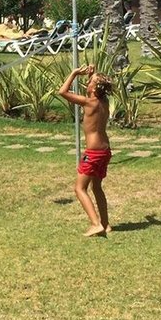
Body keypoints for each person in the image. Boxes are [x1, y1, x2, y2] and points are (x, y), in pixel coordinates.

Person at [57, 64, 114, 237]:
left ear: (94, 88)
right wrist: (92, 76)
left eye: (90, 82)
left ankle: (95, 224)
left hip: (94, 153)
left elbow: (62, 92)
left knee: (79, 189)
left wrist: (74, 73)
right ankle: (106, 224)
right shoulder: (103, 101)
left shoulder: (88, 102)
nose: (87, 83)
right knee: (97, 187)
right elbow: (94, 90)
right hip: (105, 151)